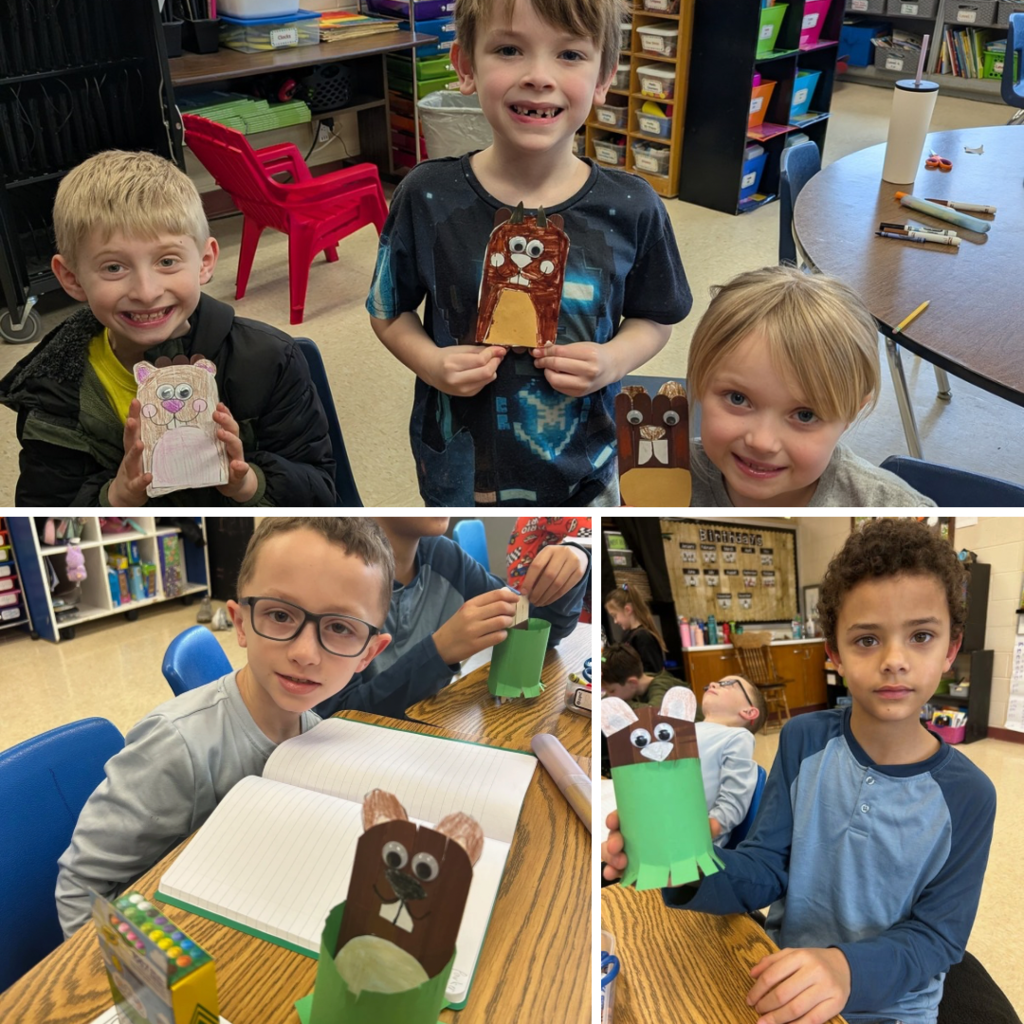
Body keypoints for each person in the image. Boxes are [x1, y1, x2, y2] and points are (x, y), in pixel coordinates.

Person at [603, 518, 996, 1024]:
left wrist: (846, 970)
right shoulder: (803, 739)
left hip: (893, 1008)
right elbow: (768, 865)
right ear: (833, 652)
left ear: (950, 649)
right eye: (867, 640)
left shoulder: (970, 795)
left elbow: (939, 936)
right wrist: (684, 860)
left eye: (921, 636)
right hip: (778, 975)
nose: (895, 660)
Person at [365, 0, 692, 506]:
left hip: (587, 466)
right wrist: (429, 362)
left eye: (570, 55)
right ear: (466, 66)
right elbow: (388, 310)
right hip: (461, 469)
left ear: (604, 78)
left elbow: (656, 316)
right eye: (510, 49)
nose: (539, 76)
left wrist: (611, 360)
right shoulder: (427, 195)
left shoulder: (632, 206)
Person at [55, 518, 394, 936]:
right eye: (280, 615)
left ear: (368, 654)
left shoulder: (315, 732)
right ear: (239, 623)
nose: (305, 653)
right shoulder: (177, 745)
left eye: (341, 627)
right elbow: (80, 887)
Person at [0, 150, 336, 506]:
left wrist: (248, 482)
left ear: (205, 262)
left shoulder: (269, 360)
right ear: (71, 278)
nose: (146, 292)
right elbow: (45, 517)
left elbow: (322, 493)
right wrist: (115, 497)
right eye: (113, 268)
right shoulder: (52, 391)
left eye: (167, 261)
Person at [685, 266, 935, 507]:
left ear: (852, 412)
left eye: (805, 415)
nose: (762, 442)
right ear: (700, 381)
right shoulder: (662, 471)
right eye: (737, 398)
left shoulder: (894, 510)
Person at [314, 516, 591, 720]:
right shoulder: (335, 577)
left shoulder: (443, 555)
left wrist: (579, 557)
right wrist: (439, 651)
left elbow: (538, 629)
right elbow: (339, 714)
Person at [602, 642, 763, 848]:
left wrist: (709, 828)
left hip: (692, 840)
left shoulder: (737, 736)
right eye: (715, 682)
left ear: (749, 712)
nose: (713, 683)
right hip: (657, 826)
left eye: (728, 684)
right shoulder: (684, 730)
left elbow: (735, 795)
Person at [604, 584, 666, 674]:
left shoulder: (643, 637)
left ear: (628, 610)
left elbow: (653, 673)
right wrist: (602, 658)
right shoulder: (627, 634)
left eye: (615, 615)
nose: (615, 621)